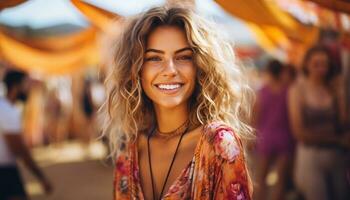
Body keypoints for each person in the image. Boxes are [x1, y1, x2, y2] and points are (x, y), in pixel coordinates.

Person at [102, 5, 253, 200]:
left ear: (200, 67)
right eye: (154, 58)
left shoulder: (220, 144)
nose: (170, 69)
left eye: (183, 57)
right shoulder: (129, 150)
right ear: (136, 70)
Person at [288, 45, 350, 200]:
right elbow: (299, 132)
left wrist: (341, 94)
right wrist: (337, 139)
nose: (321, 68)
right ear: (307, 65)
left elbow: (343, 122)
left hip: (336, 155)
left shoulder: (333, 89)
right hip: (311, 154)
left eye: (325, 64)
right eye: (316, 64)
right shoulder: (298, 90)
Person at [0, 70, 52, 200]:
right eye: (26, 84)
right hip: (4, 172)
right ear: (16, 87)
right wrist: (41, 177)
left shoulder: (6, 108)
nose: (29, 89)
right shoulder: (7, 111)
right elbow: (19, 149)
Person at [253, 59, 295, 200]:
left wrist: (252, 136)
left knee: (261, 178)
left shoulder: (263, 91)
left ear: (269, 72)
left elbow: (256, 116)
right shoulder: (288, 91)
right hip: (285, 137)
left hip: (266, 137)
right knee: (280, 181)